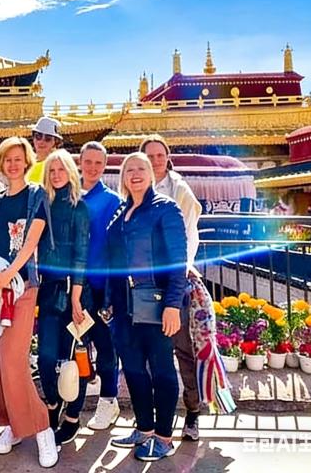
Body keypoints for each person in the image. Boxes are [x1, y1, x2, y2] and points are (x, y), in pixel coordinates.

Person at [0, 136, 58, 469]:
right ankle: (13, 423)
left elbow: (30, 243)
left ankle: (41, 428)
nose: (13, 164)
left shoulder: (37, 195)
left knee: (13, 360)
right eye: (7, 159)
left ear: (26, 161)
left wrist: (9, 274)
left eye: (18, 158)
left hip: (22, 286)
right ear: (0, 163)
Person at [105, 152, 187, 462]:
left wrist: (172, 305)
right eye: (129, 170)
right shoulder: (122, 211)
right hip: (124, 307)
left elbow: (178, 261)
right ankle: (144, 428)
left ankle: (164, 437)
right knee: (134, 369)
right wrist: (108, 301)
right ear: (123, 177)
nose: (135, 174)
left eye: (141, 168)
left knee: (162, 370)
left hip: (155, 302)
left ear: (151, 174)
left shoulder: (165, 208)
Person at [140, 134, 203, 441]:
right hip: (145, 283)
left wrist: (182, 271)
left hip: (175, 280)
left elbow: (190, 234)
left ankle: (193, 412)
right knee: (152, 351)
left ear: (167, 158)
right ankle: (154, 418)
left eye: (159, 155)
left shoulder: (179, 190)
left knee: (183, 347)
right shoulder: (138, 188)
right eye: (149, 156)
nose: (155, 161)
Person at [35, 149, 90, 446]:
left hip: (73, 290)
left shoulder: (78, 207)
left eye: (61, 169)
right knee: (46, 357)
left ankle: (73, 416)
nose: (56, 175)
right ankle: (53, 404)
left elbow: (81, 253)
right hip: (47, 289)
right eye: (52, 170)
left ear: (70, 172)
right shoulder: (42, 203)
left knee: (74, 357)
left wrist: (77, 297)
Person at [79, 141, 122, 431]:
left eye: (98, 163)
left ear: (104, 166)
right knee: (78, 345)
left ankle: (108, 400)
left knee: (106, 346)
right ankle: (76, 403)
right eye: (88, 161)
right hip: (74, 287)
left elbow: (117, 246)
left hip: (100, 286)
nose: (93, 167)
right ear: (80, 163)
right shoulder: (69, 195)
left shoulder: (111, 200)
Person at [26, 116, 63, 183]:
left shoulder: (57, 165)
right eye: (38, 136)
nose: (42, 141)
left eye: (48, 138)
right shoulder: (26, 163)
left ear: (56, 142)